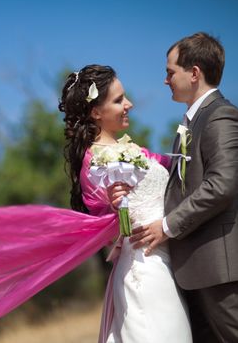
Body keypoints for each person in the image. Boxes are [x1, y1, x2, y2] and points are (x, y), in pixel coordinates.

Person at [112, 32, 238, 342]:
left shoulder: (220, 116)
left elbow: (222, 184)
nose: (165, 80)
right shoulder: (189, 124)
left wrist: (166, 226)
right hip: (192, 271)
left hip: (220, 270)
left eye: (170, 72)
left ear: (194, 73)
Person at [59, 64, 192, 342]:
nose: (129, 104)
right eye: (119, 100)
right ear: (96, 112)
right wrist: (113, 206)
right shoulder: (94, 163)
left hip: (166, 268)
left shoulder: (132, 151)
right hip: (144, 271)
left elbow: (176, 171)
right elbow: (110, 223)